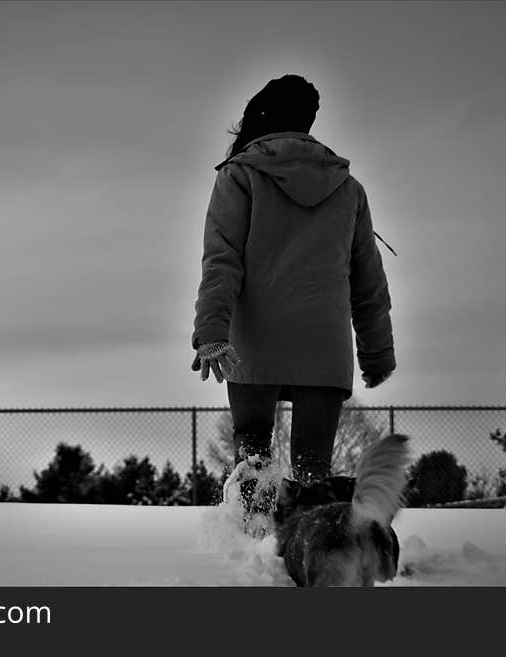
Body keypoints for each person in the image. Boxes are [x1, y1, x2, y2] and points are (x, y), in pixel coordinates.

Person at [190, 74, 396, 529]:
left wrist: (211, 334)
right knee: (312, 471)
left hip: (255, 341)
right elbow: (369, 283)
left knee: (253, 461)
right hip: (323, 344)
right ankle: (311, 556)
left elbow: (221, 261)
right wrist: (377, 353)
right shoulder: (348, 188)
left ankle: (253, 547)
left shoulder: (240, 176)